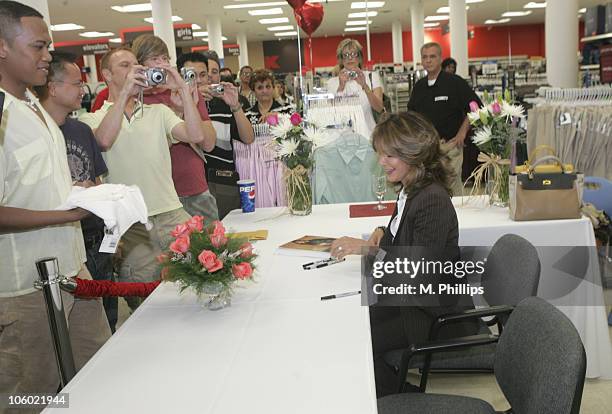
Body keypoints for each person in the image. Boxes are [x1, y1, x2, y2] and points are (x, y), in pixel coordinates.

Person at [0, 0, 111, 399]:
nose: (48, 55)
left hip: (72, 266)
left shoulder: (34, 104)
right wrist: (63, 211)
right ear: (2, 47)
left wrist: (75, 193)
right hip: (24, 288)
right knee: (33, 394)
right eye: (38, 46)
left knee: (100, 369)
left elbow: (33, 181)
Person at [330, 112, 477, 398]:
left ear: (414, 153)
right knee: (347, 322)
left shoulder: (431, 200)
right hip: (412, 302)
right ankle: (395, 392)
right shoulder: (411, 188)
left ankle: (403, 398)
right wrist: (381, 232)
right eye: (380, 154)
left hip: (433, 314)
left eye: (389, 155)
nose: (381, 162)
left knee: (353, 339)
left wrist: (369, 250)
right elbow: (404, 238)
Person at [79, 46, 210, 310]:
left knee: (199, 288)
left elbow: (196, 136)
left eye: (136, 65)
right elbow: (103, 140)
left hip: (174, 214)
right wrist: (125, 93)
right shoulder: (90, 118)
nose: (135, 71)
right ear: (106, 74)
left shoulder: (158, 112)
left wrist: (184, 91)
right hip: (131, 223)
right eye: (125, 66)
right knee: (144, 304)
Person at [34, 51, 118, 332]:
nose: (83, 90)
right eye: (76, 84)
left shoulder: (80, 130)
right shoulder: (34, 133)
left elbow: (97, 180)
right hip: (58, 247)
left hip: (94, 239)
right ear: (53, 87)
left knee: (106, 322)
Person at [131, 34, 219, 221]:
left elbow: (209, 143)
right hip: (155, 199)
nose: (162, 65)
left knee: (212, 247)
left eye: (165, 59)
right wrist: (177, 112)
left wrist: (187, 102)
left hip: (194, 189)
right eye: (155, 59)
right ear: (139, 65)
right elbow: (145, 151)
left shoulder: (185, 91)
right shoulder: (130, 97)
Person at [183, 51, 254, 219]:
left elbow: (248, 138)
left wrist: (235, 106)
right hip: (190, 187)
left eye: (206, 74)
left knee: (227, 235)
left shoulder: (224, 103)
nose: (200, 80)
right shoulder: (179, 104)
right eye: (194, 75)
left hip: (223, 182)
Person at [407, 42, 481, 195]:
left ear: (440, 59)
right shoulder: (419, 87)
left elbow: (475, 107)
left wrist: (462, 133)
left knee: (451, 191)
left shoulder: (455, 83)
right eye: (425, 57)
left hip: (450, 148)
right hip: (426, 151)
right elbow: (412, 116)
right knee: (428, 191)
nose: (428, 60)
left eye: (432, 56)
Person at [326, 38, 385, 137]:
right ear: (341, 59)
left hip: (370, 137)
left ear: (360, 57)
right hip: (342, 138)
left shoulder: (371, 77)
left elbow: (379, 108)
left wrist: (364, 86)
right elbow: (330, 114)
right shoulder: (332, 83)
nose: (350, 58)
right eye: (346, 55)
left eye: (353, 54)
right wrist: (341, 87)